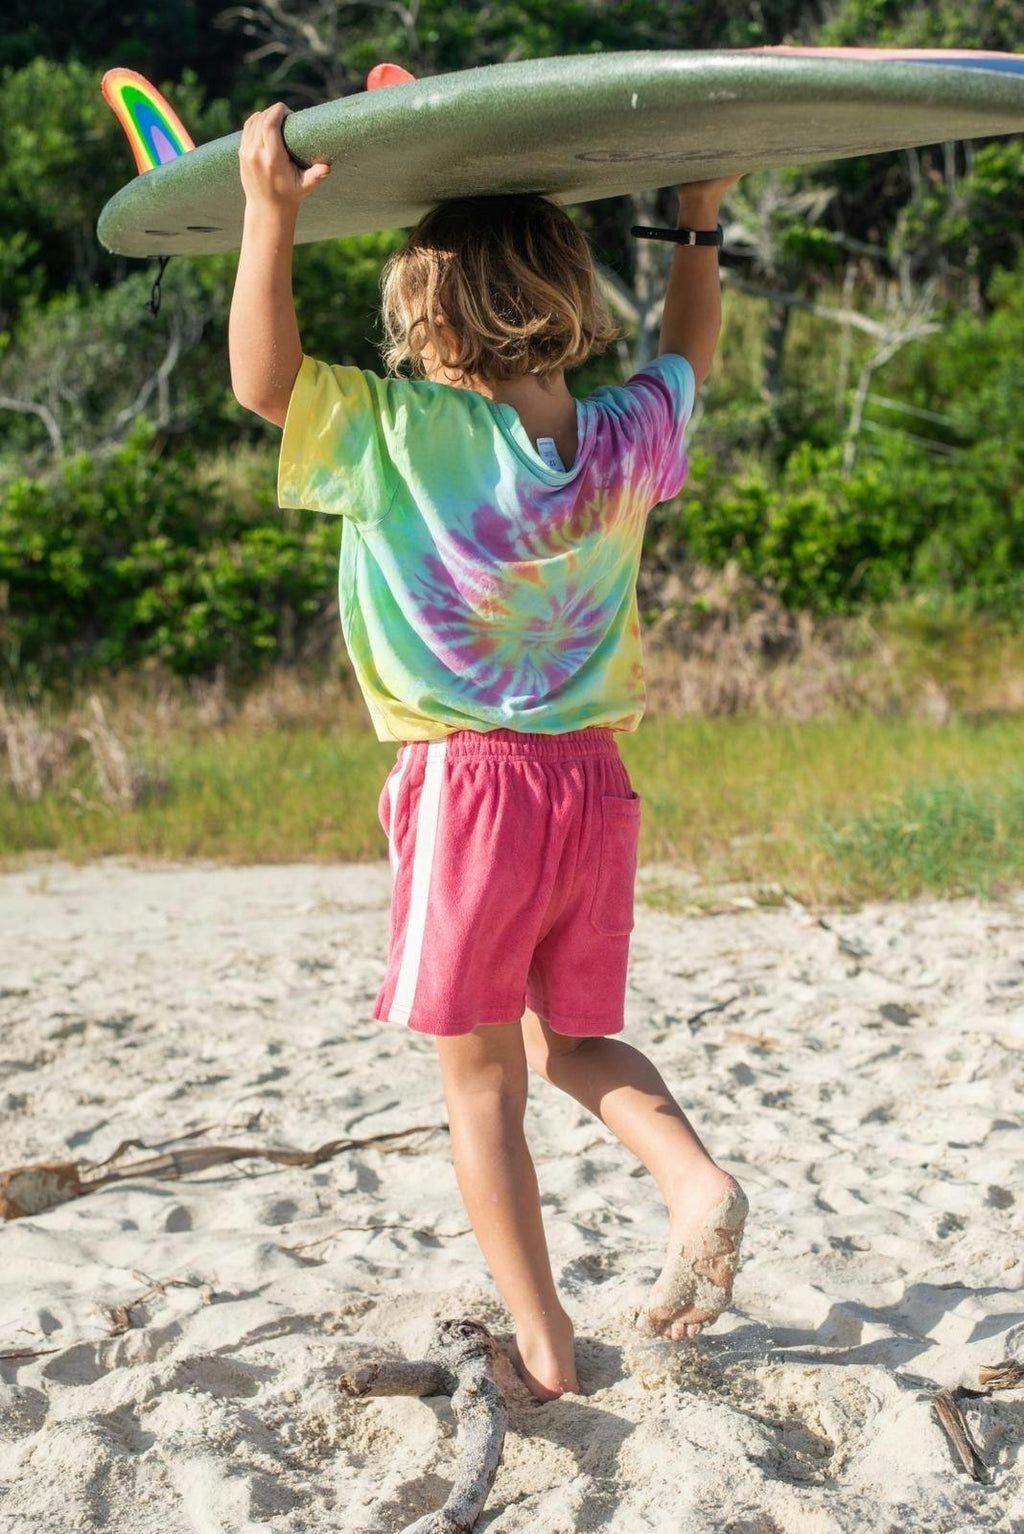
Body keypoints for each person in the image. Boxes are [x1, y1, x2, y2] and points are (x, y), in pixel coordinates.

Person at [229, 101, 748, 1403]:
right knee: (570, 1040)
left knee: (480, 1086)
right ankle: (695, 1177)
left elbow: (262, 382)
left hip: (470, 789)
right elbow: (687, 350)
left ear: (437, 331)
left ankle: (546, 1346)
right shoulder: (625, 436)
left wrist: (271, 215)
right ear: (565, 299)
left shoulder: (409, 432)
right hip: (595, 783)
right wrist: (697, 220)